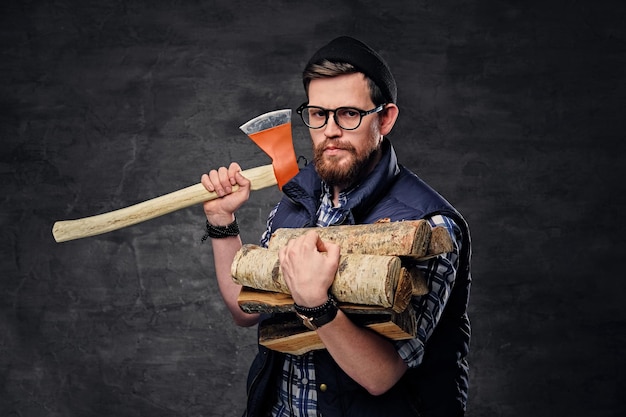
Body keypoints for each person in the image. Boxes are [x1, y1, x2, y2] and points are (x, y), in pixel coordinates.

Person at [200, 36, 472, 417]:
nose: (329, 130)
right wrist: (221, 222)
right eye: (317, 114)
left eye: (348, 114)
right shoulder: (298, 199)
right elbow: (246, 309)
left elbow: (381, 376)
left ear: (385, 118)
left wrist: (319, 306)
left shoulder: (429, 228)